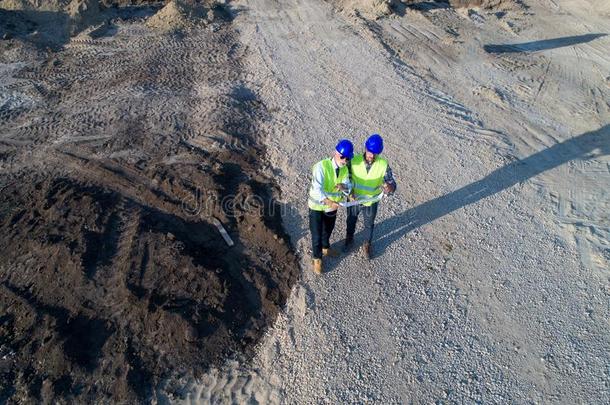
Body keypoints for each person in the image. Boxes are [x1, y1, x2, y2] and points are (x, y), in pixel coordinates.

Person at [344, 133, 396, 259]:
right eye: (369, 151)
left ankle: (367, 244)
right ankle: (349, 238)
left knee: (369, 224)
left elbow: (392, 183)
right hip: (354, 200)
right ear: (365, 148)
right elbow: (345, 178)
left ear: (379, 152)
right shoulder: (353, 161)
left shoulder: (383, 165)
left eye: (375, 153)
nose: (372, 155)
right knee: (351, 220)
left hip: (371, 202)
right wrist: (349, 193)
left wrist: (390, 187)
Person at [308, 139, 354, 274]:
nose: (344, 160)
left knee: (328, 229)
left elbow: (347, 185)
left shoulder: (344, 169)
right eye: (342, 157)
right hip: (317, 206)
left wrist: (345, 187)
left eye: (347, 158)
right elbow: (317, 189)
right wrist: (329, 202)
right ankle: (317, 258)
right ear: (335, 153)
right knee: (316, 234)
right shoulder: (321, 167)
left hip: (332, 207)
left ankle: (325, 248)